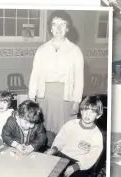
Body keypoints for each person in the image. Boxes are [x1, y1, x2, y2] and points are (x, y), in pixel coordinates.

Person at [28, 10, 84, 147]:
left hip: (65, 96)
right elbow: (35, 73)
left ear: (68, 28)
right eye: (55, 24)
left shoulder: (75, 50)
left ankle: (63, 162)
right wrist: (31, 96)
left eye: (62, 24)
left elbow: (79, 78)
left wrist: (76, 101)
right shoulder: (42, 49)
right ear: (50, 28)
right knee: (44, 131)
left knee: (64, 133)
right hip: (44, 95)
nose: (58, 28)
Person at [46, 95, 104, 177]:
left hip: (81, 162)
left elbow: (91, 157)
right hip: (63, 154)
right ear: (81, 111)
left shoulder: (96, 136)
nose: (88, 114)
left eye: (92, 112)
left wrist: (75, 167)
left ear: (98, 115)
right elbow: (60, 139)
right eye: (85, 110)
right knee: (48, 173)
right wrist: (54, 149)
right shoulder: (71, 125)